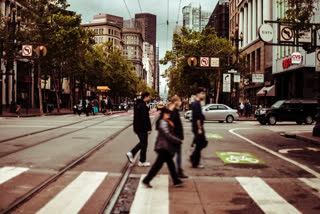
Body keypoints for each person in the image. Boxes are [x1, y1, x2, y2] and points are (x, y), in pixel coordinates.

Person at [142, 108, 184, 188]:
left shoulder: (165, 122)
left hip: (164, 147)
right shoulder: (163, 123)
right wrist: (178, 140)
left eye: (169, 114)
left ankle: (176, 180)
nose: (168, 116)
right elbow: (167, 134)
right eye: (167, 114)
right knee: (158, 166)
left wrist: (156, 147)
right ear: (163, 114)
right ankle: (147, 180)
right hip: (163, 148)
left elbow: (159, 137)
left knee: (168, 165)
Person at [126, 92, 152, 167]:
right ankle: (141, 161)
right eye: (149, 97)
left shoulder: (137, 104)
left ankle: (132, 153)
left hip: (137, 127)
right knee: (144, 144)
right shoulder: (143, 105)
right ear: (146, 97)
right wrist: (148, 128)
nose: (149, 98)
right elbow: (145, 118)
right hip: (142, 128)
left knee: (143, 142)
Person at [168, 95, 188, 178]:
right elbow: (172, 124)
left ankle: (179, 170)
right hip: (176, 137)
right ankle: (179, 171)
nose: (181, 102)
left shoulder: (175, 110)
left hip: (176, 137)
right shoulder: (174, 111)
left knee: (173, 154)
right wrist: (177, 137)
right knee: (174, 154)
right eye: (179, 101)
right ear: (176, 102)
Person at [190, 87, 207, 168]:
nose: (204, 95)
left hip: (196, 127)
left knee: (200, 144)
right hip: (197, 127)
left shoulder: (197, 103)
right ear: (198, 94)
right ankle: (195, 162)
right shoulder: (196, 104)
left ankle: (193, 158)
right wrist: (199, 128)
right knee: (200, 144)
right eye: (202, 93)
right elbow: (197, 118)